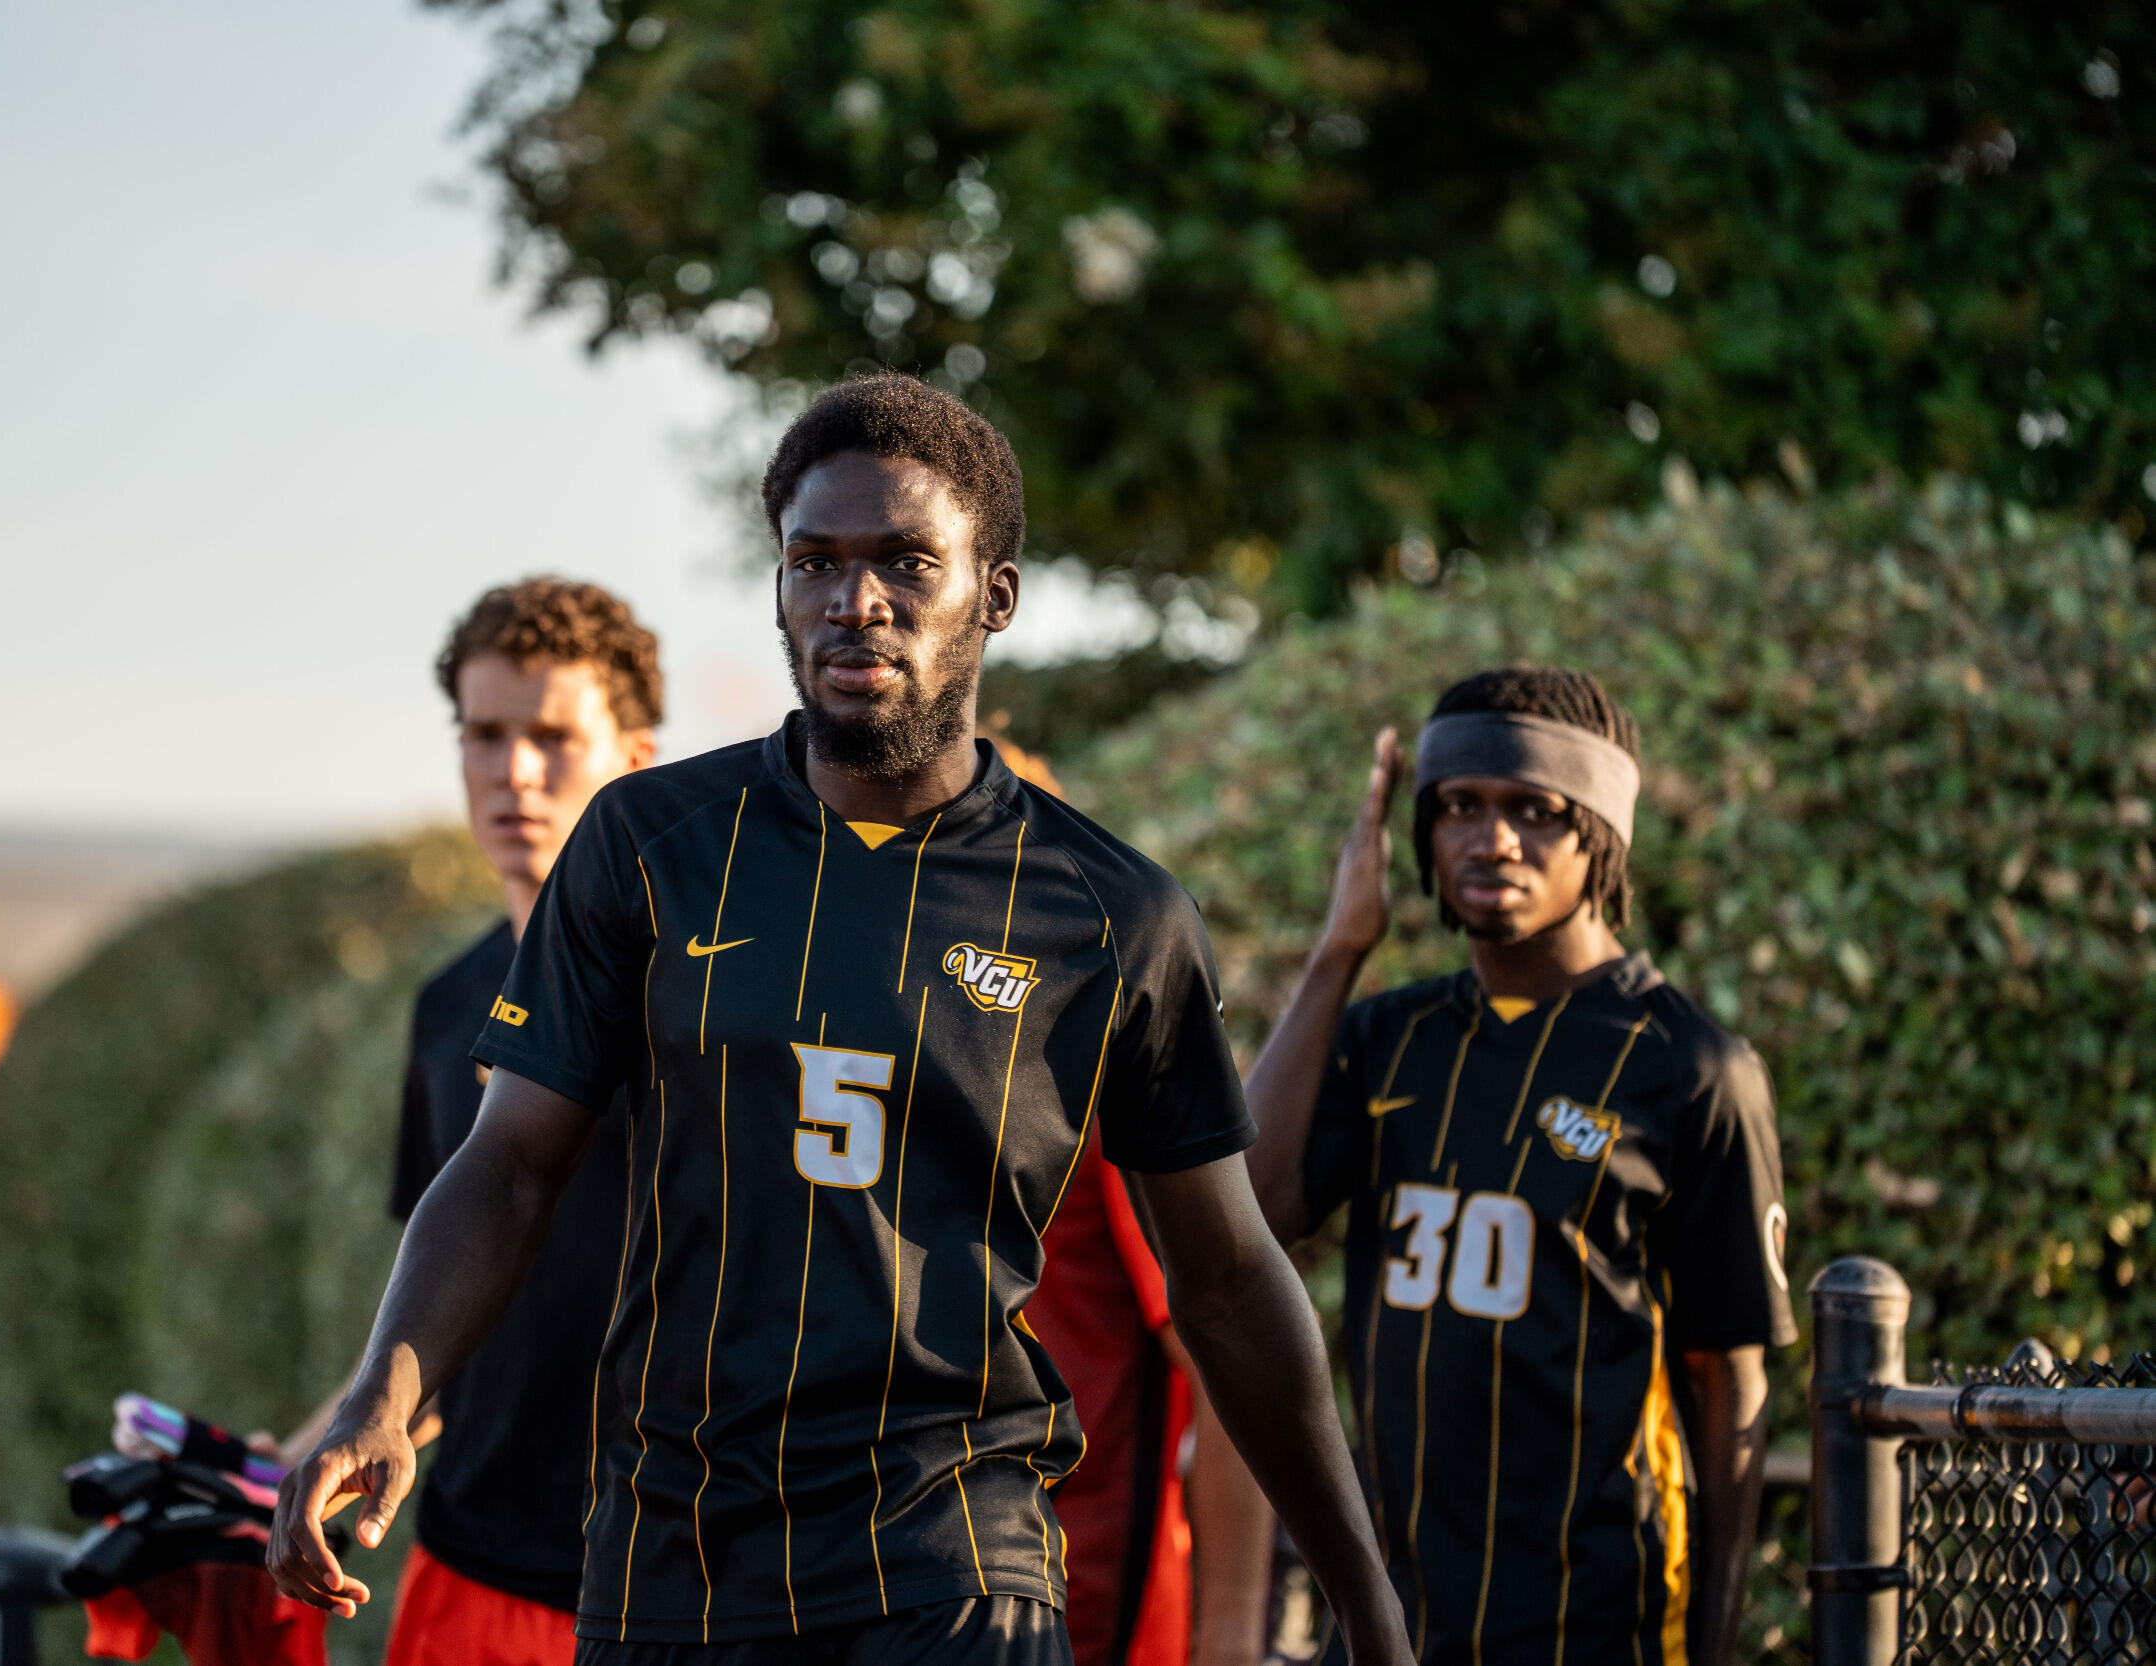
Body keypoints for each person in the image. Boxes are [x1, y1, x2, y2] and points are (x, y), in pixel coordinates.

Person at [269, 371, 1414, 1666]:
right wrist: (382, 1393)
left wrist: (1365, 1593)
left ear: (996, 594)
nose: (852, 598)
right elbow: (510, 1165)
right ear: (778, 588)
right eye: (814, 560)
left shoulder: (1109, 912)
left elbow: (1228, 1277)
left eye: (905, 561)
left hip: (958, 1566)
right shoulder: (649, 845)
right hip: (671, 1567)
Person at [1239, 667, 1795, 1666]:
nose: (1491, 839)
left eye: (1536, 811)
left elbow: (1727, 1378)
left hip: (1601, 1627)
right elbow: (1249, 1215)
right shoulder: (1385, 1039)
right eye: (1459, 806)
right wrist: (1337, 951)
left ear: (1601, 832)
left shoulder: (1691, 1068)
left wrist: (1712, 1644)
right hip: (1393, 1625)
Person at [283, 579, 662, 1666]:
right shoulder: (449, 1004)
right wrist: (290, 1464)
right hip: (468, 1575)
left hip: (671, 1580)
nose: (515, 774)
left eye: (553, 737)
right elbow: (445, 1323)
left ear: (637, 759)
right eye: (485, 735)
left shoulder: (704, 996)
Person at [981, 740, 1274, 1666]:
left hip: (1079, 1584)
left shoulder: (1080, 1052)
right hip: (906, 1577)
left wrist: (1230, 1631)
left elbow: (1229, 1345)